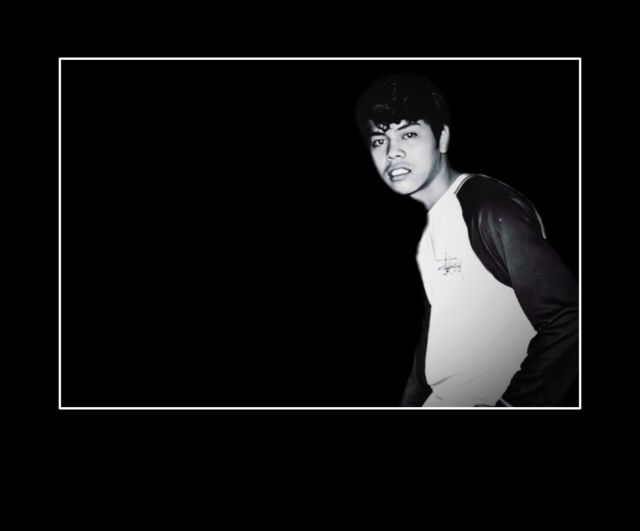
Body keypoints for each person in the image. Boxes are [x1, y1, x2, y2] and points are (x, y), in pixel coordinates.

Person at [354, 73, 578, 407]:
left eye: (409, 134)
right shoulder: (430, 228)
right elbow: (431, 353)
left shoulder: (488, 208)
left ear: (442, 138)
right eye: (378, 140)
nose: (392, 152)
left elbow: (569, 316)